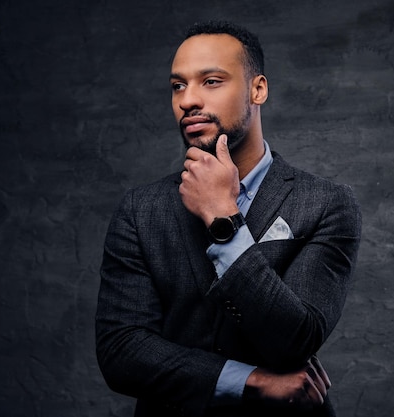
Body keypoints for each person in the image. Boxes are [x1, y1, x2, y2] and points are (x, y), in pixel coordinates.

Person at [95, 21, 361, 417]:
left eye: (212, 81)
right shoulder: (140, 210)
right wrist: (252, 380)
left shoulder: (327, 203)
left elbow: (296, 339)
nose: (188, 100)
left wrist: (224, 218)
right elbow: (122, 351)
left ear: (258, 89)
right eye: (178, 86)